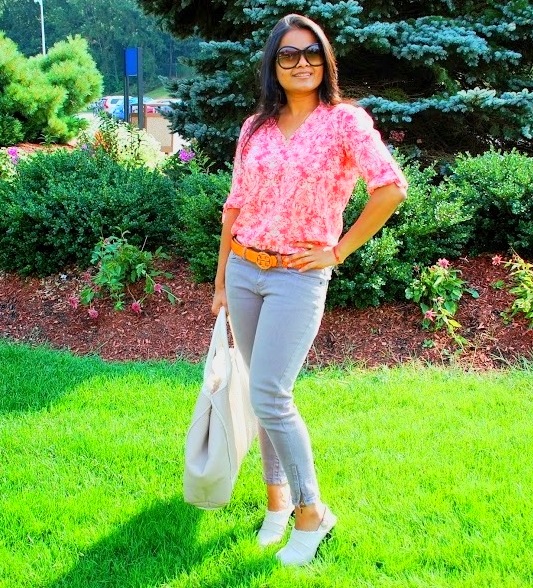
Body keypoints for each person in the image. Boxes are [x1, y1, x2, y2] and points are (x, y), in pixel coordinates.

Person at [211, 13, 408, 566]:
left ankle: (311, 512)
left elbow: (391, 188)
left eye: (312, 52)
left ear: (326, 60)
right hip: (245, 270)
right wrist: (221, 279)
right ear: (273, 65)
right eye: (289, 54)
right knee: (264, 396)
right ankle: (276, 504)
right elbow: (235, 206)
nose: (302, 63)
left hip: (297, 276)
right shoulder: (254, 128)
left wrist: (337, 251)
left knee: (271, 394)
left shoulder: (344, 122)